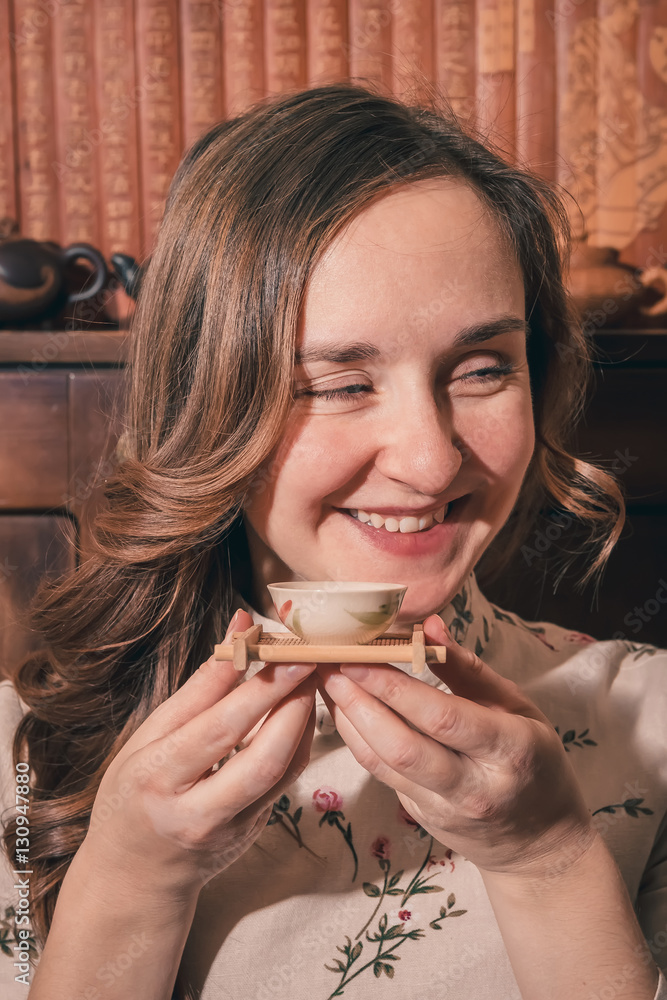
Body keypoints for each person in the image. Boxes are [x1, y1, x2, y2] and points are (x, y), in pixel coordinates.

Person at [1, 82, 666, 1000]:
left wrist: (547, 862)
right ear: (207, 404)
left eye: (480, 369)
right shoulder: (21, 762)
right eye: (336, 383)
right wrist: (128, 886)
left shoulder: (653, 725)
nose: (431, 463)